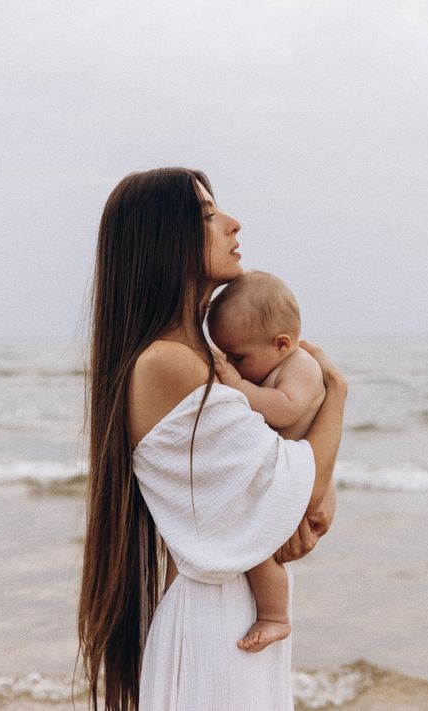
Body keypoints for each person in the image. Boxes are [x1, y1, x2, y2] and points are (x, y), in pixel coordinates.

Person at [77, 168, 347, 711]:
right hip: (216, 622)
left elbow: (295, 488)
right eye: (207, 215)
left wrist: (301, 499)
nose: (232, 223)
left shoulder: (204, 360)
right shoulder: (169, 364)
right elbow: (298, 487)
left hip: (235, 613)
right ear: (165, 240)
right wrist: (337, 393)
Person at [207, 269, 334, 653]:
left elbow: (284, 409)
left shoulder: (299, 367)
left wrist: (239, 386)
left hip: (310, 485)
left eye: (239, 356)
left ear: (281, 343)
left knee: (257, 548)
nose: (233, 363)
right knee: (256, 543)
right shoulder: (274, 363)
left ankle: (275, 616)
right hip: (298, 478)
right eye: (225, 354)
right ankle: (273, 614)